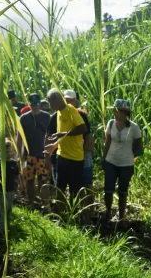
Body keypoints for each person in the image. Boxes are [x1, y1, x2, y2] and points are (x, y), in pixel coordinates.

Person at [101, 99, 143, 228]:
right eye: (114, 110)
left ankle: (121, 217)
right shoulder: (111, 123)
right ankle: (107, 213)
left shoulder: (134, 128)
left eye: (118, 111)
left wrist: (129, 155)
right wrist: (104, 158)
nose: (115, 113)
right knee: (108, 190)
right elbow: (107, 141)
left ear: (125, 113)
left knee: (123, 191)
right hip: (111, 161)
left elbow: (140, 147)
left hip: (126, 164)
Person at [44, 89, 87, 213]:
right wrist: (54, 145)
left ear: (57, 99)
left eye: (51, 103)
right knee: (60, 188)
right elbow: (63, 136)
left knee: (75, 189)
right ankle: (62, 215)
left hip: (75, 158)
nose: (51, 106)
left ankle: (75, 214)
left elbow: (83, 128)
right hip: (61, 156)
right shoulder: (58, 113)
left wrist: (63, 134)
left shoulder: (70, 110)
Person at [63, 90, 95, 223]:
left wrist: (87, 154)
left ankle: (90, 210)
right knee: (73, 184)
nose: (69, 102)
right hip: (68, 154)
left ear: (75, 100)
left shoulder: (81, 114)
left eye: (71, 99)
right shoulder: (60, 114)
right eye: (66, 99)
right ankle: (75, 210)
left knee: (87, 183)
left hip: (82, 153)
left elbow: (88, 135)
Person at [19, 93, 52, 212]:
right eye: (32, 103)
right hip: (29, 155)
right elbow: (19, 137)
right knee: (29, 180)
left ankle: (46, 205)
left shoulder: (47, 117)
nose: (34, 106)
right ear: (29, 104)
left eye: (37, 103)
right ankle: (31, 203)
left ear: (40, 103)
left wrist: (50, 154)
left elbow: (51, 136)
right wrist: (19, 152)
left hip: (43, 154)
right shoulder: (24, 118)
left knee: (43, 180)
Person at [0, 140, 20, 232]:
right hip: (1, 190)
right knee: (2, 208)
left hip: (11, 190)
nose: (8, 154)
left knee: (9, 208)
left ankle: (8, 225)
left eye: (10, 152)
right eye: (6, 152)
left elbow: (17, 175)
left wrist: (20, 185)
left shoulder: (14, 163)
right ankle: (1, 228)